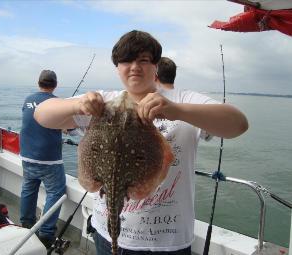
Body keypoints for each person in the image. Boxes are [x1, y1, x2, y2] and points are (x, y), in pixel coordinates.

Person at [34, 30, 248, 254]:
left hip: (167, 243)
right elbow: (42, 114)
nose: (134, 66)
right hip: (105, 235)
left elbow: (238, 124)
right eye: (126, 60)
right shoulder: (102, 102)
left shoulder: (183, 100)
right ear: (117, 67)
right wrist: (77, 106)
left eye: (143, 60)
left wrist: (177, 110)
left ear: (156, 66)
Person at [19, 70, 66, 249]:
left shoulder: (27, 99)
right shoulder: (57, 102)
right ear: (55, 84)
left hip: (27, 155)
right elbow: (68, 127)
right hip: (49, 160)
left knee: (29, 188)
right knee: (56, 193)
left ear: (39, 83)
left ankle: (26, 225)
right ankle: (46, 233)